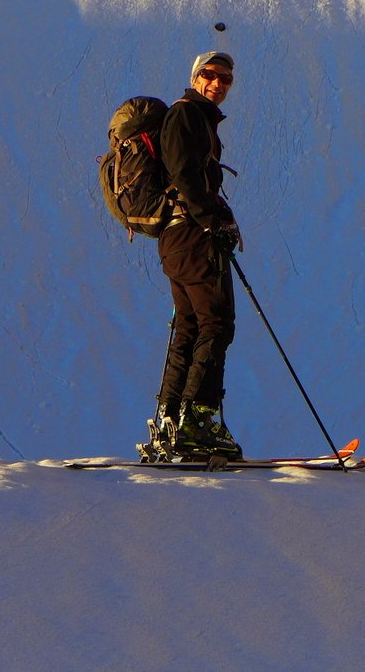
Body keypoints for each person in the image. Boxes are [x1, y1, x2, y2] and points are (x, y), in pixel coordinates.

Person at [143, 51, 245, 461]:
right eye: (210, 75)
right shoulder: (187, 115)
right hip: (192, 236)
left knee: (189, 325)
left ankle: (170, 420)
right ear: (195, 77)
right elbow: (185, 174)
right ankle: (196, 424)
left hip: (177, 239)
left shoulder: (195, 117)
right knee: (216, 323)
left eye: (226, 79)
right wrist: (212, 222)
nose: (218, 83)